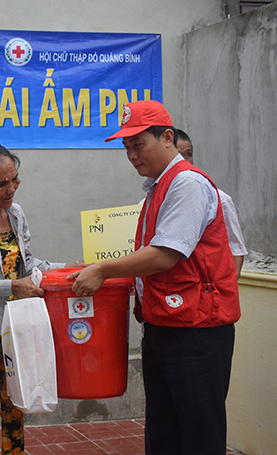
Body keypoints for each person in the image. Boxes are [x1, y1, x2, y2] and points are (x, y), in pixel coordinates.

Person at [70, 101, 241, 455]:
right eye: (126, 147)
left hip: (196, 332)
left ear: (167, 138)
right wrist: (98, 268)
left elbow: (166, 255)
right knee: (164, 432)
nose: (132, 155)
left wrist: (102, 270)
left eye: (139, 144)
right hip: (165, 325)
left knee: (198, 434)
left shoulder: (186, 185)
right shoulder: (156, 188)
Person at [0, 143, 80, 455]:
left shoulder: (16, 213)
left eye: (15, 180)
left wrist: (67, 269)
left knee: (15, 405)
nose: (11, 189)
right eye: (1, 183)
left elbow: (28, 263)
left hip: (16, 327)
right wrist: (14, 287)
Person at [176, 128, 247, 278]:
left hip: (210, 290)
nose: (184, 161)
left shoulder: (219, 198)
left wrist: (227, 289)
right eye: (177, 156)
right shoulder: (149, 202)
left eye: (188, 154)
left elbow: (236, 248)